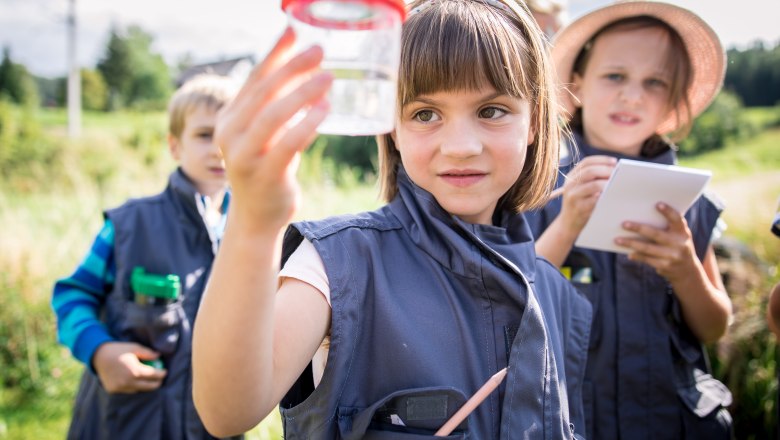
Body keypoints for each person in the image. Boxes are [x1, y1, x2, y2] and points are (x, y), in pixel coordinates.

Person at [192, 0, 592, 438]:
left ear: (534, 121)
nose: (460, 145)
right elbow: (227, 409)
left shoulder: (555, 292)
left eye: (491, 111)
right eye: (425, 114)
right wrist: (253, 222)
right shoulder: (337, 264)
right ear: (393, 129)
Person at [525, 2, 735, 439]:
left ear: (673, 99)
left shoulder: (689, 202)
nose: (632, 95)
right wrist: (566, 226)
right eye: (615, 76)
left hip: (676, 424)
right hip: (578, 423)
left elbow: (715, 327)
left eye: (655, 82)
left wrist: (685, 270)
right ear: (577, 82)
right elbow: (514, 312)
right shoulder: (538, 192)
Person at [51, 74, 241, 439]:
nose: (219, 148)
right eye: (204, 135)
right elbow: (73, 295)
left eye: (231, 135)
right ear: (174, 146)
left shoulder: (253, 233)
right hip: (128, 422)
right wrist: (100, 351)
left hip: (213, 426)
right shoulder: (130, 225)